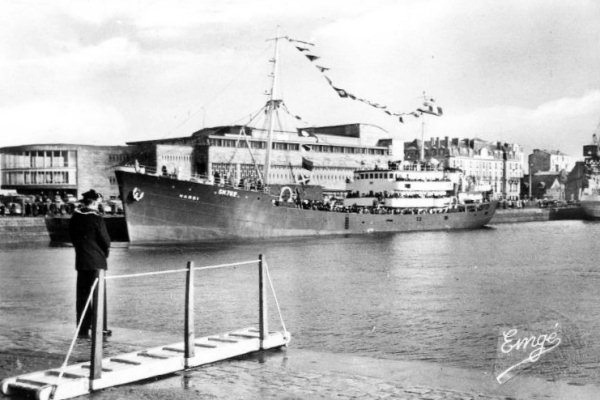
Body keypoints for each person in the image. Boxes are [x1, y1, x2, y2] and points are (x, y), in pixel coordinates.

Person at [68, 189, 111, 339]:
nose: (99, 204)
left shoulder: (75, 217)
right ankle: (101, 328)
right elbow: (106, 241)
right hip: (97, 262)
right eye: (98, 202)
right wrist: (104, 255)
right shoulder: (97, 219)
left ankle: (82, 329)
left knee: (82, 297)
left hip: (81, 261)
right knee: (99, 296)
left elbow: (73, 238)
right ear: (94, 202)